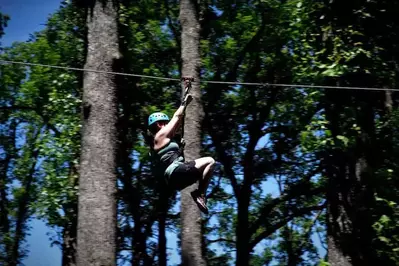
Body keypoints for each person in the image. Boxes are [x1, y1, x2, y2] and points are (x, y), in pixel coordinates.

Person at [147, 94, 215, 214]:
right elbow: (177, 117)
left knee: (203, 171)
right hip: (175, 172)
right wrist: (184, 103)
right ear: (159, 124)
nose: (168, 125)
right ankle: (200, 194)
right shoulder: (160, 135)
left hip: (175, 182)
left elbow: (177, 124)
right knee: (210, 161)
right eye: (165, 123)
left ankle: (199, 193)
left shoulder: (160, 142)